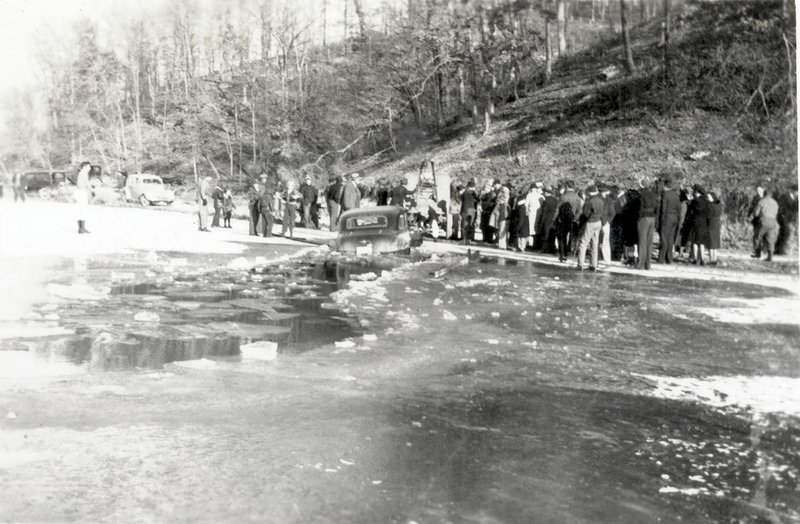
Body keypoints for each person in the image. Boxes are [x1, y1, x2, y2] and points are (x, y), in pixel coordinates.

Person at [576, 185, 605, 270]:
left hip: (591, 222)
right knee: (595, 244)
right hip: (599, 222)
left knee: (583, 243)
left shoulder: (589, 201)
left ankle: (580, 263)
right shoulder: (601, 200)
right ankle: (593, 264)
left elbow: (586, 213)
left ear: (589, 192)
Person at [635, 178, 658, 270]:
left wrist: (639, 218)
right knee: (649, 242)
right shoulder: (654, 195)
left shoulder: (642, 195)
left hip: (644, 218)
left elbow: (640, 207)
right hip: (652, 217)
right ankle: (648, 264)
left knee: (642, 242)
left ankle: (640, 264)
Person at [554, 182, 581, 262]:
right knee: (571, 238)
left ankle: (563, 255)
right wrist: (575, 218)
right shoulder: (577, 197)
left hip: (561, 220)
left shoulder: (563, 196)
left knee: (562, 238)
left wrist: (554, 219)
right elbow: (580, 211)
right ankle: (569, 253)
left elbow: (557, 209)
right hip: (572, 220)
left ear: (566, 186)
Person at [657, 177, 681, 264]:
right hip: (674, 218)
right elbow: (679, 208)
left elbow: (663, 209)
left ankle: (661, 258)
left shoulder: (666, 195)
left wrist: (662, 220)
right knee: (671, 238)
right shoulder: (676, 195)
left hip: (667, 218)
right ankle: (669, 258)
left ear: (665, 185)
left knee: (664, 238)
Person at [752, 188, 780, 261]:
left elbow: (756, 213)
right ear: (771, 195)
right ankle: (770, 257)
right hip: (773, 222)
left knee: (757, 236)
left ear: (764, 193)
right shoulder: (775, 203)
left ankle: (757, 254)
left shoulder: (762, 201)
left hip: (763, 221)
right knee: (770, 239)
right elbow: (776, 213)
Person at [689, 185, 710, 265]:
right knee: (701, 243)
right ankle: (702, 259)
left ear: (697, 192)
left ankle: (695, 258)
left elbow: (692, 211)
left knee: (694, 242)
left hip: (696, 223)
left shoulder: (695, 201)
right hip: (704, 223)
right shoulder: (707, 202)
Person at [776, 184, 798, 256]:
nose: (797, 193)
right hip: (784, 218)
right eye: (796, 191)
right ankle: (782, 250)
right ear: (792, 190)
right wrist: (782, 216)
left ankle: (780, 250)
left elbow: (796, 208)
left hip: (792, 219)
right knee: (786, 233)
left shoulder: (796, 198)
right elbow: (780, 207)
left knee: (784, 234)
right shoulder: (784, 196)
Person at [538, 186, 558, 253]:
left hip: (547, 219)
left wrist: (541, 221)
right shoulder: (556, 200)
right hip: (554, 219)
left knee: (545, 235)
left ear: (546, 193)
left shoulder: (546, 201)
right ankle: (552, 249)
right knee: (552, 234)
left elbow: (544, 212)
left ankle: (544, 249)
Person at [598, 184, 615, 264]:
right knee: (605, 241)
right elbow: (612, 212)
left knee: (599, 240)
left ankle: (599, 257)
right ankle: (607, 258)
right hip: (605, 222)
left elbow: (612, 212)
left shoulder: (599, 198)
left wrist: (608, 221)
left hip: (600, 221)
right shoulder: (609, 200)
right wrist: (608, 221)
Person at [748, 182, 766, 258]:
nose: (758, 191)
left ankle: (759, 252)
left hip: (764, 219)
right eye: (757, 189)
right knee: (756, 236)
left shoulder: (765, 198)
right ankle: (757, 252)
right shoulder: (755, 198)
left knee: (759, 236)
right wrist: (749, 215)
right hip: (756, 219)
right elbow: (751, 207)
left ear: (763, 189)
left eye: (760, 189)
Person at [460, 180, 479, 245]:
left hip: (465, 210)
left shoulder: (465, 192)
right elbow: (478, 200)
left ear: (468, 186)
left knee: (464, 225)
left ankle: (464, 240)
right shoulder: (475, 193)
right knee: (470, 225)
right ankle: (469, 240)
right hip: (472, 210)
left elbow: (461, 198)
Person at [676, 188, 694, 259]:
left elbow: (682, 214)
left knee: (682, 237)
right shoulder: (691, 202)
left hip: (684, 222)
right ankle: (687, 251)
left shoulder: (684, 203)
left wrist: (681, 222)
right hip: (689, 221)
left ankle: (680, 252)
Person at [75, 162, 91, 234]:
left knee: (80, 210)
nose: (90, 168)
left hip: (79, 192)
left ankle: (81, 228)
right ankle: (82, 229)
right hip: (82, 193)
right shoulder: (84, 173)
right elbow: (87, 183)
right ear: (84, 167)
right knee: (83, 210)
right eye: (88, 167)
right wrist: (92, 190)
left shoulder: (81, 173)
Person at [707, 191, 722, 266]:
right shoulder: (719, 205)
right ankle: (714, 259)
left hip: (711, 224)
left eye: (709, 197)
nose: (708, 198)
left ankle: (711, 259)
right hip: (717, 224)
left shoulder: (710, 206)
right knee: (715, 242)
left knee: (710, 243)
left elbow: (708, 216)